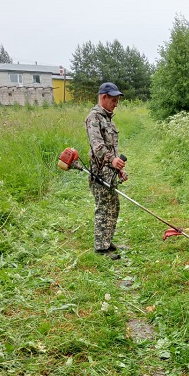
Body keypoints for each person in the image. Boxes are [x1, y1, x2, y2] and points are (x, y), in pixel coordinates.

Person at [85, 82, 127, 260]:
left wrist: (117, 168)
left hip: (109, 172)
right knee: (103, 207)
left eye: (117, 100)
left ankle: (107, 241)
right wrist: (112, 160)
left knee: (113, 207)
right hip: (99, 172)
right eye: (114, 100)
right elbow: (98, 147)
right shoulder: (94, 118)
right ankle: (101, 249)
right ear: (104, 97)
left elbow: (112, 149)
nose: (116, 103)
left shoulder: (108, 118)